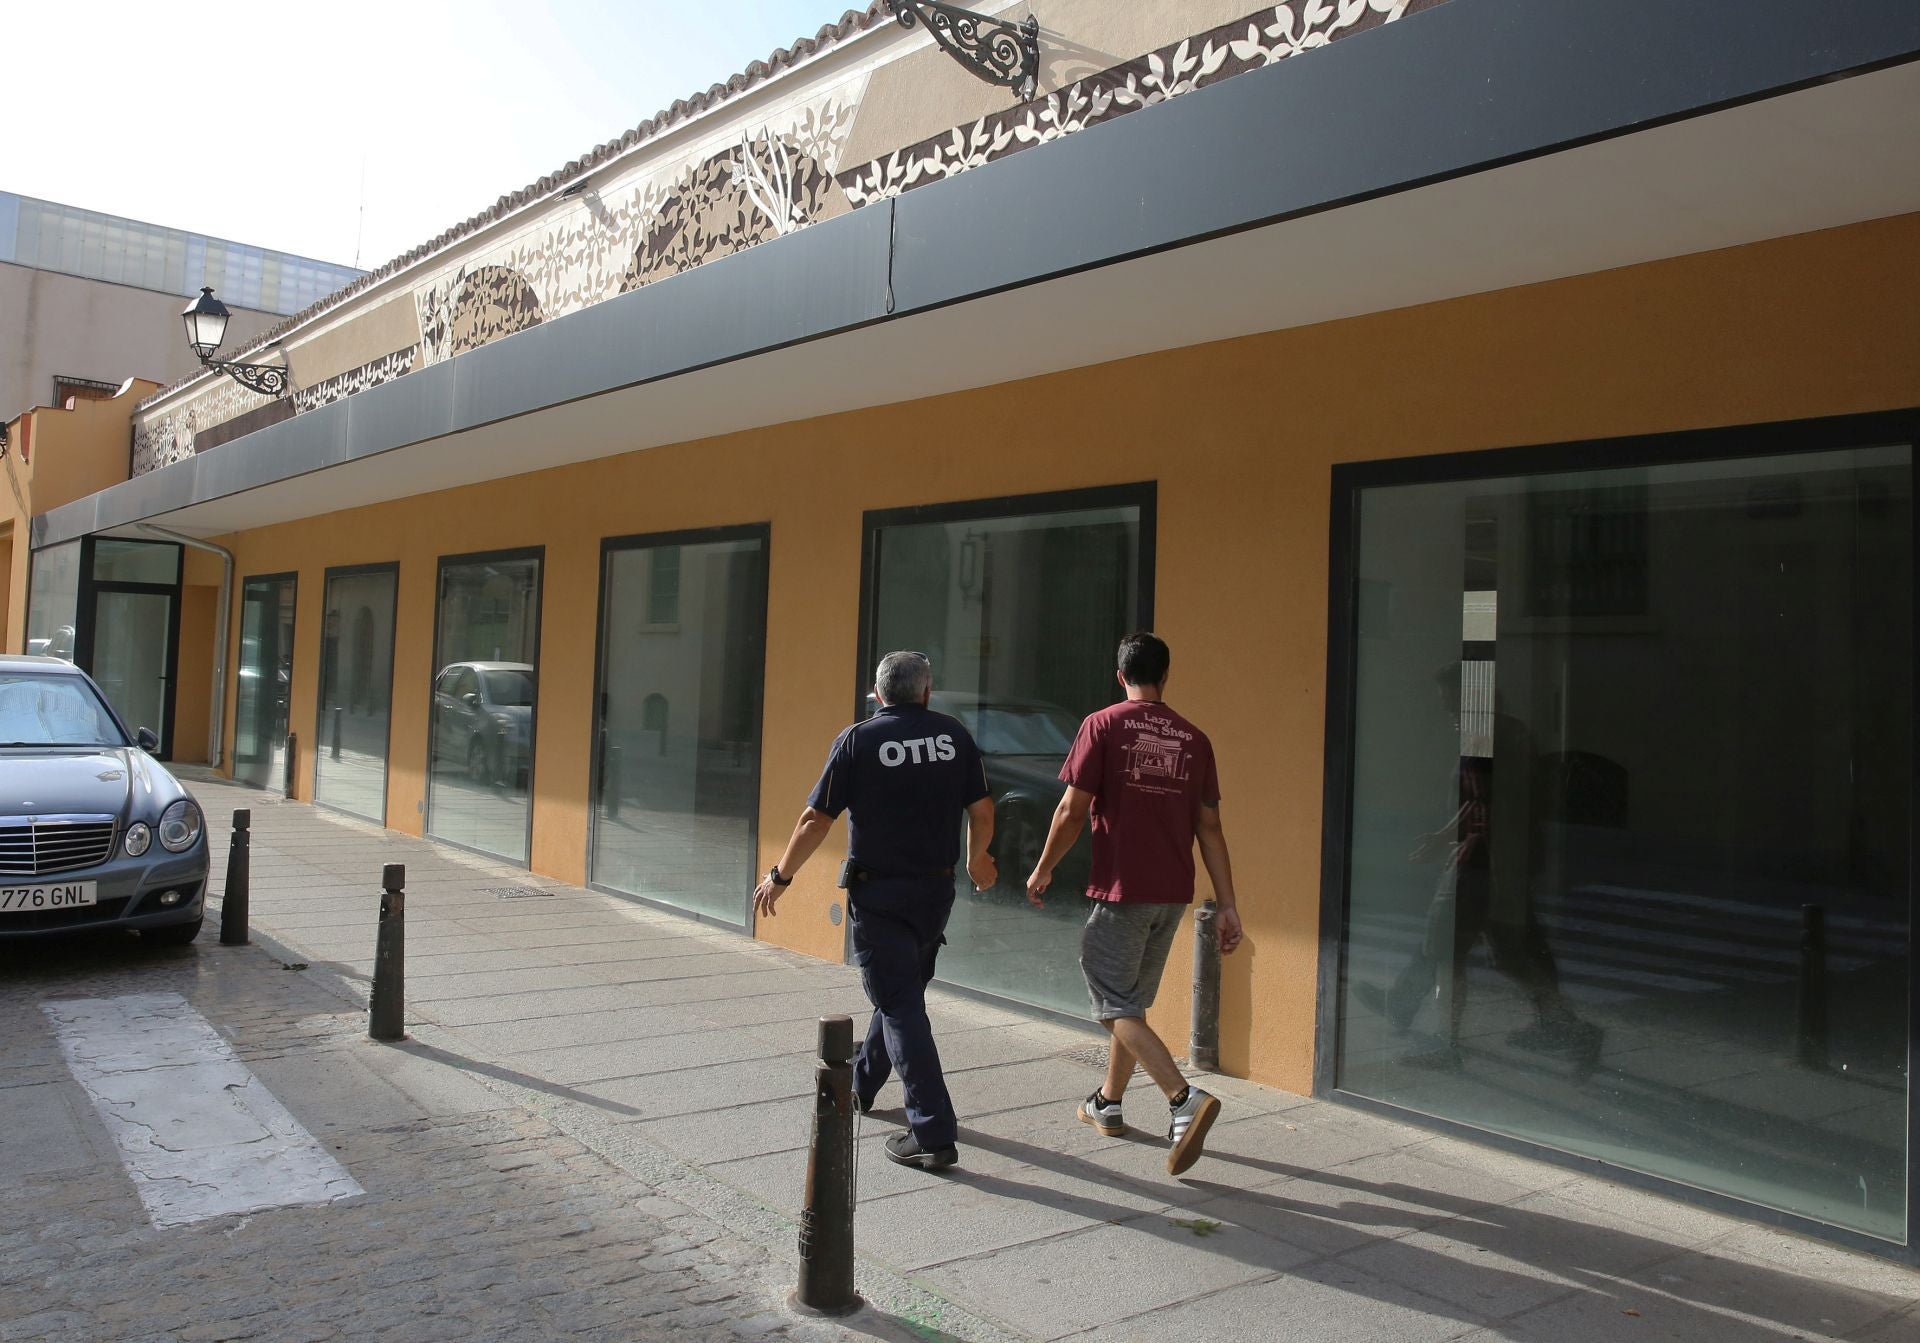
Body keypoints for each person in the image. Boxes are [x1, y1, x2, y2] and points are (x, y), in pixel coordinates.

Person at [753, 651, 996, 1171]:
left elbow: (815, 820)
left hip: (880, 895)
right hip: (935, 894)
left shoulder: (859, 739)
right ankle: (861, 1086)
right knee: (900, 991)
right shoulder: (953, 735)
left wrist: (781, 876)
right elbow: (982, 807)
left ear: (879, 695)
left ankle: (932, 1132)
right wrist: (978, 859)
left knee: (902, 1004)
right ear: (926, 692)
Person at [1026, 632, 1241, 1176]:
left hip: (1123, 891)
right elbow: (1211, 828)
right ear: (1166, 676)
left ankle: (1181, 1098)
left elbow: (1071, 810)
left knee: (1111, 1002)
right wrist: (1230, 906)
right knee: (1129, 1004)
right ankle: (1108, 1103)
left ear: (1119, 675)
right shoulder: (1194, 738)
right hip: (1172, 895)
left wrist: (1044, 866)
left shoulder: (1103, 724)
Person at [1353, 664, 1601, 1069]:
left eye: (1452, 702)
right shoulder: (1499, 734)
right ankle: (1561, 1022)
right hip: (1486, 860)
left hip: (1481, 863)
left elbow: (1495, 808)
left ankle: (1446, 1044)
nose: (1448, 711)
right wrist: (1446, 835)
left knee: (1448, 949)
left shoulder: (1489, 739)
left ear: (1474, 701)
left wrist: (1494, 870)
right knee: (1497, 951)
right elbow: (1479, 803)